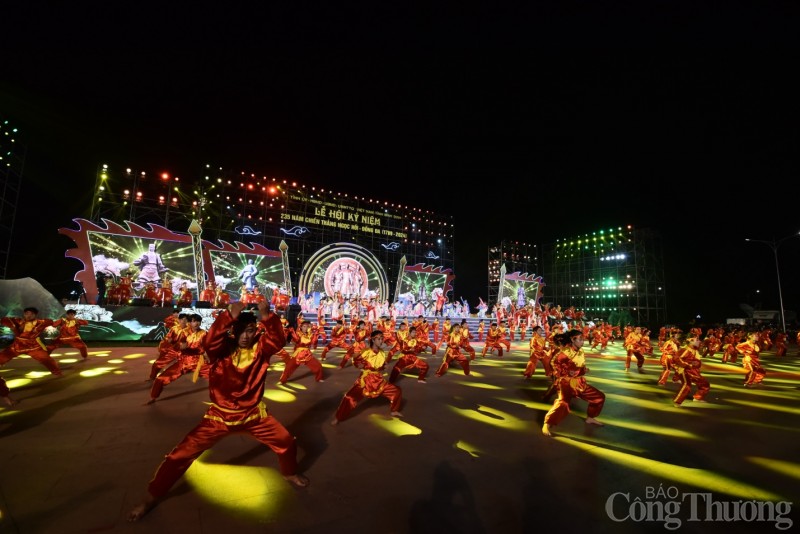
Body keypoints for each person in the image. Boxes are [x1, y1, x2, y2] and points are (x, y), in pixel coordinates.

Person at [127, 300, 308, 522]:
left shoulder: (261, 350)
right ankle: (152, 496)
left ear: (255, 332)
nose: (244, 336)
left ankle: (289, 472)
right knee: (178, 456)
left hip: (254, 416)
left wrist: (266, 314)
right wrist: (229, 315)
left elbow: (278, 340)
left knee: (287, 442)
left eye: (249, 331)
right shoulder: (221, 350)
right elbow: (211, 340)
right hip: (218, 417)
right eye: (239, 331)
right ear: (233, 331)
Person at [331, 329, 403, 425]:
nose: (381, 341)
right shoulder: (366, 351)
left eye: (382, 338)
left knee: (396, 391)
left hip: (378, 379)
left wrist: (384, 366)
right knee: (349, 397)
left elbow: (379, 365)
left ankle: (394, 410)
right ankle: (338, 417)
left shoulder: (382, 352)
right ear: (373, 340)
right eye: (379, 339)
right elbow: (356, 360)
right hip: (365, 380)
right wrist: (358, 365)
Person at [542, 329, 605, 437]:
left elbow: (580, 366)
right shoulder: (566, 352)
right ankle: (547, 423)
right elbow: (554, 363)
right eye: (580, 339)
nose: (582, 341)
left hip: (579, 382)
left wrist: (585, 369)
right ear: (572, 339)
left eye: (582, 339)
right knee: (563, 403)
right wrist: (566, 372)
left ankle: (590, 418)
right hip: (566, 382)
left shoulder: (581, 351)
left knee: (599, 397)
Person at [0, 307, 61, 376]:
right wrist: (13, 327)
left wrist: (38, 328)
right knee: (2, 357)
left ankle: (56, 372)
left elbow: (49, 321)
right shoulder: (19, 321)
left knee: (46, 359)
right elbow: (5, 319)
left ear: (35, 315)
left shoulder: (39, 322)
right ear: (24, 314)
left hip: (33, 347)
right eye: (26, 314)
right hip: (18, 346)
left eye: (31, 314)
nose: (29, 315)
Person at [277, 320, 324, 385]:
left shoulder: (310, 335)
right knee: (289, 367)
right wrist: (292, 332)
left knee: (318, 366)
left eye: (307, 326)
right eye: (304, 326)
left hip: (307, 354)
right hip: (298, 353)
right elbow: (296, 340)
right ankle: (282, 380)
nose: (305, 328)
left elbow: (314, 342)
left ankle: (319, 378)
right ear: (301, 327)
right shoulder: (298, 333)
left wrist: (316, 335)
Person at [672, 333, 710, 407]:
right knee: (687, 385)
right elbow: (676, 358)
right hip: (685, 371)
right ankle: (677, 401)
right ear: (690, 341)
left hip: (694, 371)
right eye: (697, 340)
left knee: (704, 384)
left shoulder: (694, 350)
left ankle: (697, 397)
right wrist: (688, 365)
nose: (698, 341)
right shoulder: (685, 350)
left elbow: (697, 360)